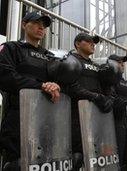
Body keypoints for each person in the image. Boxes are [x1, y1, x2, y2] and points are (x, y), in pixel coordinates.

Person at [0, 12, 60, 170]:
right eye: (36, 22)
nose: (42, 27)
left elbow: (62, 84)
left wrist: (56, 86)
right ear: (24, 24)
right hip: (17, 118)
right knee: (16, 164)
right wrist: (41, 85)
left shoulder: (50, 57)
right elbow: (5, 76)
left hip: (45, 120)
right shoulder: (11, 48)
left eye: (45, 25)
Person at [64, 33, 114, 170]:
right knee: (77, 155)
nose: (93, 44)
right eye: (88, 41)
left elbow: (105, 88)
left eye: (94, 42)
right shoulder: (70, 60)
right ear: (77, 43)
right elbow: (71, 87)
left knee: (97, 153)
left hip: (95, 114)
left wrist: (107, 99)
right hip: (76, 114)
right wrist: (95, 97)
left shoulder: (96, 66)